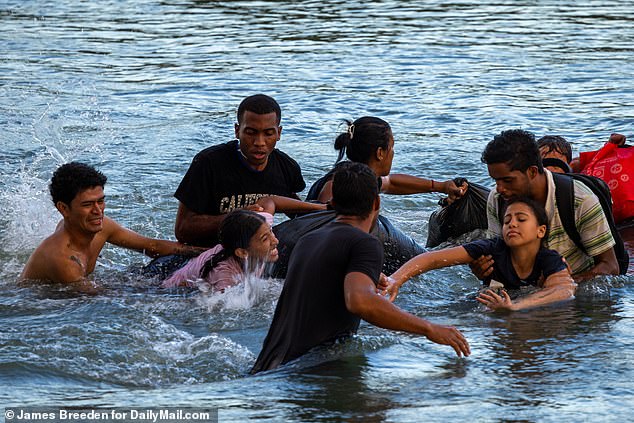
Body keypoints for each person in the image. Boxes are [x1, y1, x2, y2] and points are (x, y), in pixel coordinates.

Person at [251, 162, 470, 373]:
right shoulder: (365, 243)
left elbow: (319, 286)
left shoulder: (309, 240)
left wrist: (364, 274)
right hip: (310, 370)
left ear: (333, 202)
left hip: (269, 366)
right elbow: (360, 301)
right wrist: (429, 328)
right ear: (376, 203)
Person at [20, 162, 204, 293]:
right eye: (87, 205)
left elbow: (152, 247)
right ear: (63, 208)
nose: (98, 211)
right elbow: (103, 297)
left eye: (101, 201)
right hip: (37, 301)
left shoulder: (102, 226)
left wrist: (203, 252)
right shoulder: (63, 261)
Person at [385, 197, 576, 312]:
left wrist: (515, 307)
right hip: (485, 303)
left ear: (540, 231)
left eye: (521, 219)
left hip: (525, 308)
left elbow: (564, 291)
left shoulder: (549, 258)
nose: (512, 224)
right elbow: (434, 258)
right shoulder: (493, 248)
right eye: (507, 220)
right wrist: (395, 280)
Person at [476, 129, 619, 281]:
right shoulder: (497, 199)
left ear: (532, 172)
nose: (499, 189)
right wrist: (484, 270)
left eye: (508, 180)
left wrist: (563, 281)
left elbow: (610, 266)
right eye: (495, 181)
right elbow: (499, 258)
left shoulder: (580, 199)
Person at [174, 94, 306, 246]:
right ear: (237, 131)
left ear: (279, 133)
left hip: (254, 252)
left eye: (268, 134)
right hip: (209, 250)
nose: (259, 142)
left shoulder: (286, 167)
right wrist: (237, 218)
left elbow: (299, 217)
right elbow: (182, 230)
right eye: (251, 133)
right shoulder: (208, 163)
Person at [162, 196, 326, 291]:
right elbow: (221, 312)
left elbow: (270, 201)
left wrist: (320, 208)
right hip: (173, 291)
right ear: (242, 252)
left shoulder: (259, 225)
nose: (275, 241)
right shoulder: (224, 276)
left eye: (271, 233)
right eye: (265, 239)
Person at [306, 116, 464, 203]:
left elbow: (392, 183)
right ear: (380, 152)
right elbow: (321, 214)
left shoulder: (361, 176)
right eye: (392, 147)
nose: (393, 153)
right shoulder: (340, 182)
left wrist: (442, 186)